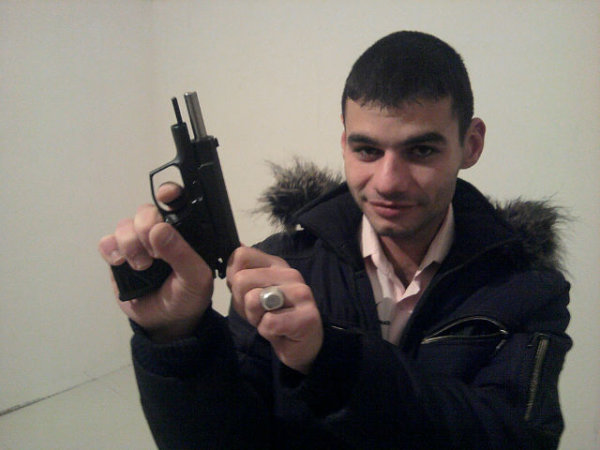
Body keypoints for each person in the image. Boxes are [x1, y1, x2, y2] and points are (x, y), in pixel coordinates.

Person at [98, 31, 572, 449]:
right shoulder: (281, 268)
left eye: (421, 150)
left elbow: (516, 438)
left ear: (471, 144)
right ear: (344, 144)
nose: (388, 181)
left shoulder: (526, 288)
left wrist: (331, 359)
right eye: (367, 150)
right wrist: (177, 338)